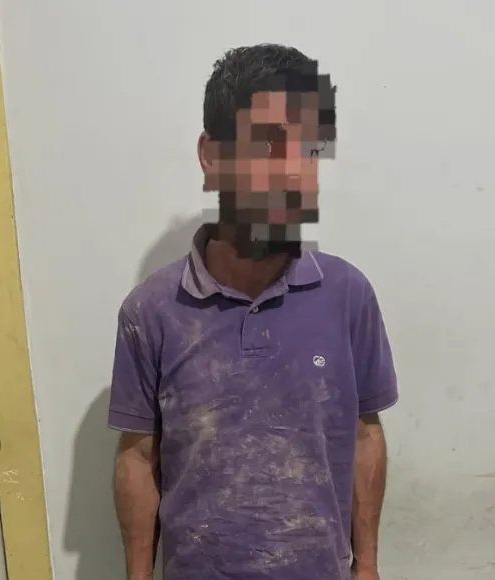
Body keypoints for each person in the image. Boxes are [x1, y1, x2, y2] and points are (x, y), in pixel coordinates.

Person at [108, 43, 398, 580]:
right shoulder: (151, 311)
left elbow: (364, 435)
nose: (293, 170)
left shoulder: (347, 295)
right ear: (211, 155)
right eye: (267, 142)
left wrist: (368, 566)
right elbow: (137, 457)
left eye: (309, 149)